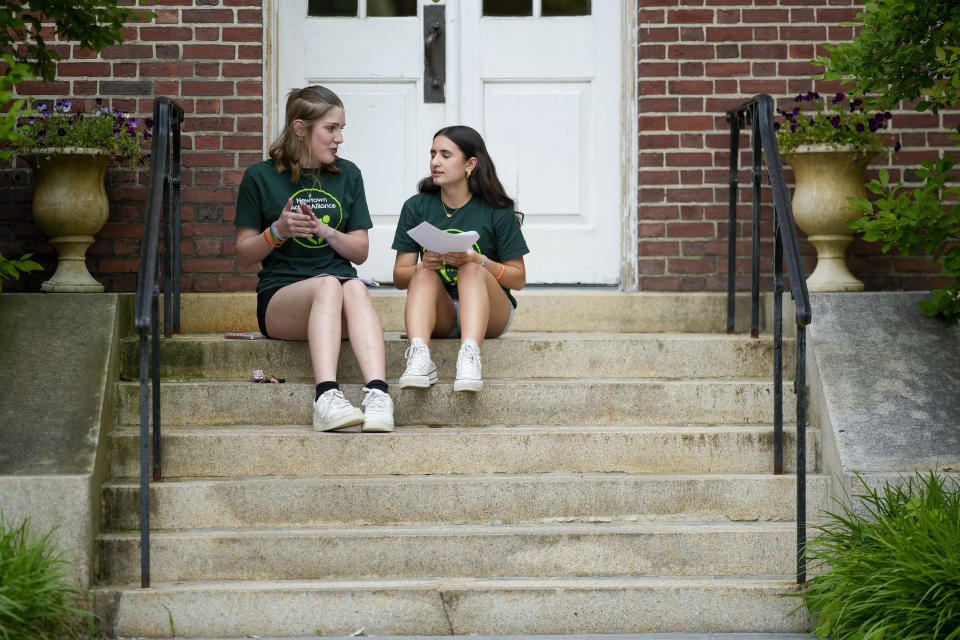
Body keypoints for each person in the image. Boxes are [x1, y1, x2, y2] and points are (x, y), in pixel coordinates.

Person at [234, 85, 394, 432]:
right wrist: (277, 230)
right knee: (329, 286)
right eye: (330, 129)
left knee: (352, 287)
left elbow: (360, 252)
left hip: (340, 296)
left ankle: (379, 395)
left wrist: (326, 232)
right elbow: (244, 254)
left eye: (341, 129)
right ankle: (326, 396)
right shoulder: (259, 177)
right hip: (282, 299)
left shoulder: (348, 174)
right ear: (300, 129)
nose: (338, 139)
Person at [391, 125, 529, 392]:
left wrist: (480, 261)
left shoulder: (496, 210)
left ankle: (469, 357)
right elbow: (399, 277)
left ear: (470, 164)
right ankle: (419, 357)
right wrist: (423, 265)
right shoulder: (416, 206)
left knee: (471, 268)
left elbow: (519, 279)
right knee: (422, 272)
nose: (435, 162)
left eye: (445, 155)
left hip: (491, 312)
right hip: (439, 312)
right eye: (432, 154)